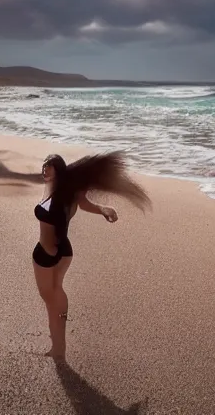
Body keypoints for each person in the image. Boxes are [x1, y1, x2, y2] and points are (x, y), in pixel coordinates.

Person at [32, 151, 151, 360]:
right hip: (64, 252)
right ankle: (59, 344)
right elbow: (84, 203)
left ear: (58, 172)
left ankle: (58, 346)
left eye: (48, 170)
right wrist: (103, 209)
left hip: (46, 254)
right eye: (44, 169)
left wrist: (102, 209)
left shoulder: (64, 194)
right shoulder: (67, 192)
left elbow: (79, 203)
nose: (44, 173)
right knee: (56, 294)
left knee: (50, 299)